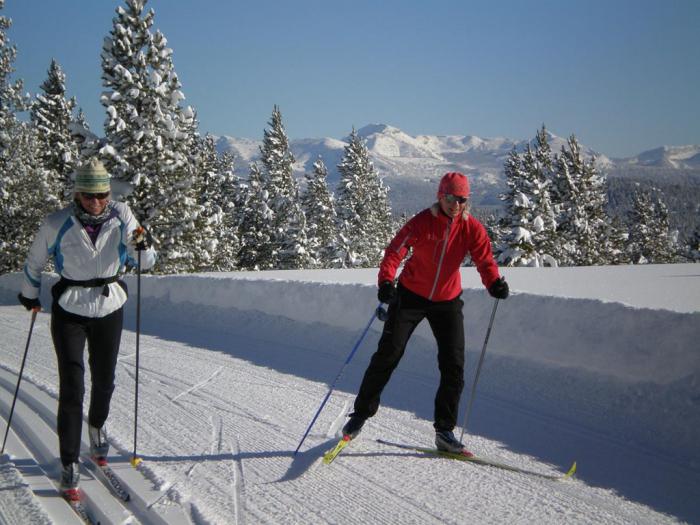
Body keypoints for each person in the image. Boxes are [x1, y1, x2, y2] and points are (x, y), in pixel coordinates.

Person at [341, 172, 509, 454]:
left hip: (447, 300)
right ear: (440, 196)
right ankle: (360, 414)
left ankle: (444, 431)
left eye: (462, 199)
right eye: (451, 198)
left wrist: (493, 282)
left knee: (453, 364)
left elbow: (485, 260)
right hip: (410, 296)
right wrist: (385, 282)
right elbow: (394, 252)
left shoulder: (472, 229)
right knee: (389, 353)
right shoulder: (421, 222)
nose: (456, 204)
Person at [17, 158, 156, 497]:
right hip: (70, 310)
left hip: (109, 306)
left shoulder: (122, 215)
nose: (97, 201)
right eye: (89, 195)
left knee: (105, 379)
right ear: (77, 193)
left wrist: (141, 241)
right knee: (72, 385)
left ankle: (95, 428)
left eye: (102, 194)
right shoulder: (57, 222)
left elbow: (147, 260)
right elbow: (35, 262)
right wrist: (30, 295)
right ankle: (69, 462)